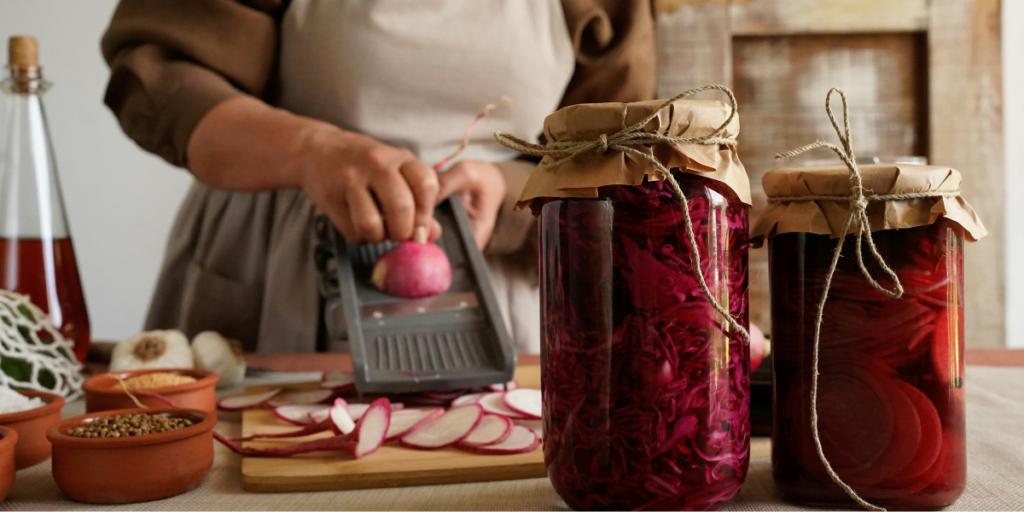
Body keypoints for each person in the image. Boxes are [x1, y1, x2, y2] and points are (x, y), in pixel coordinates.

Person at [101, 0, 655, 354]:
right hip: (275, 272)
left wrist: (511, 191)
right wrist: (311, 150)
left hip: (502, 292)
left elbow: (616, 156)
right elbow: (157, 75)